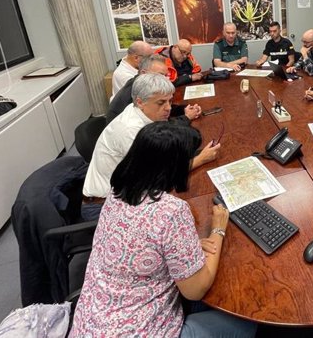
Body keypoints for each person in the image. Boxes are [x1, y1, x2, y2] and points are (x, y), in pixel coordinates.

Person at [70, 123, 257, 338]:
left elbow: (145, 242)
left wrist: (187, 248)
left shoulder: (117, 191)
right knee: (245, 322)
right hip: (143, 330)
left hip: (91, 324)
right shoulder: (171, 211)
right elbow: (196, 290)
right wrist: (218, 229)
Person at [82, 73, 219, 221]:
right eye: (161, 103)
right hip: (105, 206)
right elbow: (160, 175)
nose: (168, 108)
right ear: (140, 102)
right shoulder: (130, 131)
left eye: (170, 101)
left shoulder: (138, 110)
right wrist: (201, 159)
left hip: (128, 191)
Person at [106, 54, 170, 123]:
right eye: (160, 75)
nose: (166, 80)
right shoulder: (136, 91)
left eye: (166, 75)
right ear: (143, 73)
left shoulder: (141, 83)